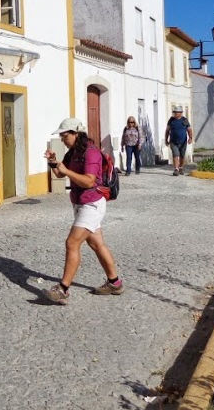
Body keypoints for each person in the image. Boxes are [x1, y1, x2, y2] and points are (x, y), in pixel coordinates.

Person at [42, 118, 123, 305]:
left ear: (76, 133)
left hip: (92, 204)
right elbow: (60, 173)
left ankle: (63, 289)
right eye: (61, 136)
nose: (63, 139)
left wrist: (66, 171)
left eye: (65, 136)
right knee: (97, 244)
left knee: (72, 243)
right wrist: (53, 162)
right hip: (80, 204)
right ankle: (115, 283)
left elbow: (88, 181)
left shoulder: (91, 152)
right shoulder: (73, 152)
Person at [165, 108, 193, 176]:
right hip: (173, 141)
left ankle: (181, 167)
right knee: (175, 154)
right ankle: (176, 169)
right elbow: (167, 130)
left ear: (180, 113)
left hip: (183, 142)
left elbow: (189, 130)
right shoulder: (171, 120)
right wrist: (166, 139)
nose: (175, 113)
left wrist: (190, 138)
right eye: (174, 112)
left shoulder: (184, 120)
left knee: (182, 156)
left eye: (177, 112)